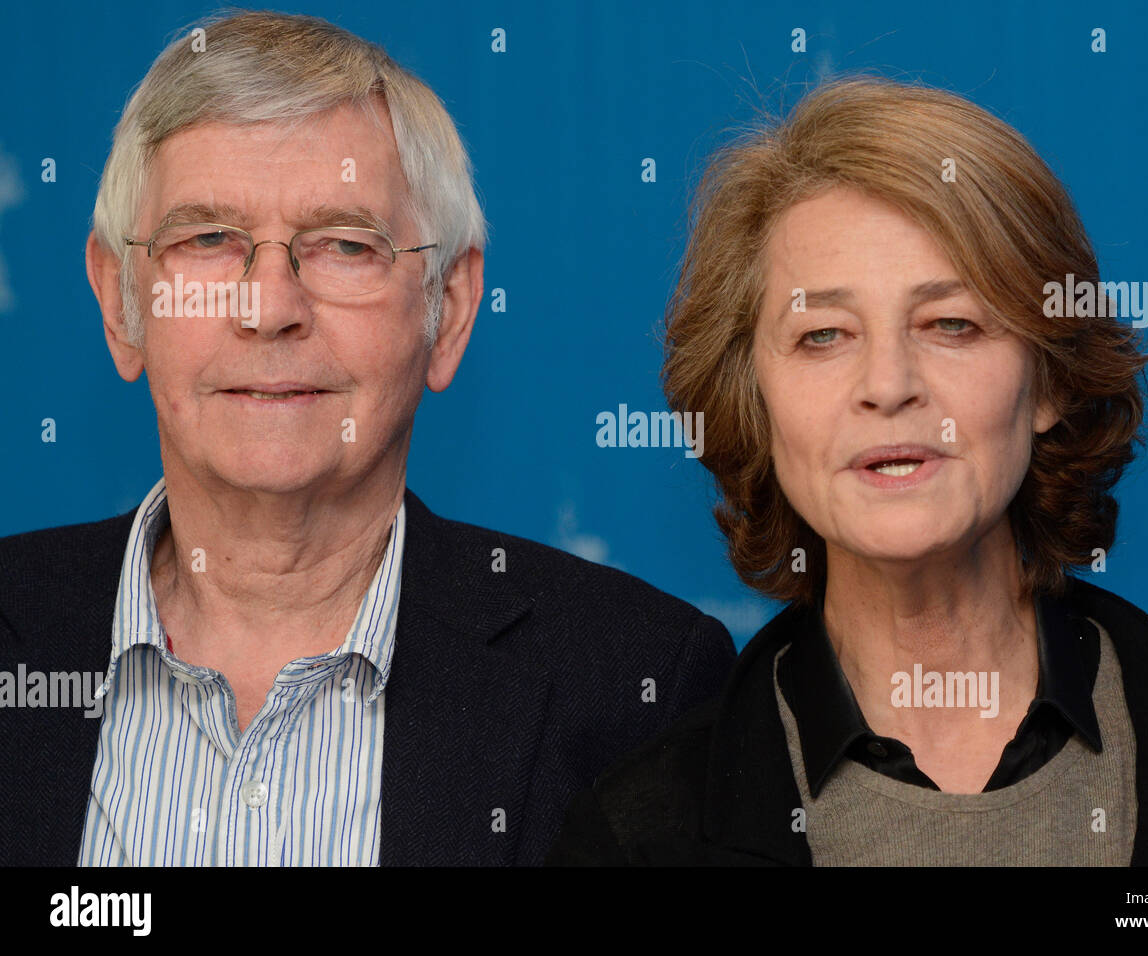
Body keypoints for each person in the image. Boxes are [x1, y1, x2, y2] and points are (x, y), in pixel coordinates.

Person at [0, 11, 734, 867]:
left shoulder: (632, 684)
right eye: (207, 240)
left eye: (344, 245)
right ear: (122, 301)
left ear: (448, 310)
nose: (269, 308)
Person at [548, 75, 1148, 865]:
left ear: (1047, 378)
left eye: (951, 323)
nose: (888, 385)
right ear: (754, 402)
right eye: (824, 336)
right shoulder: (636, 837)